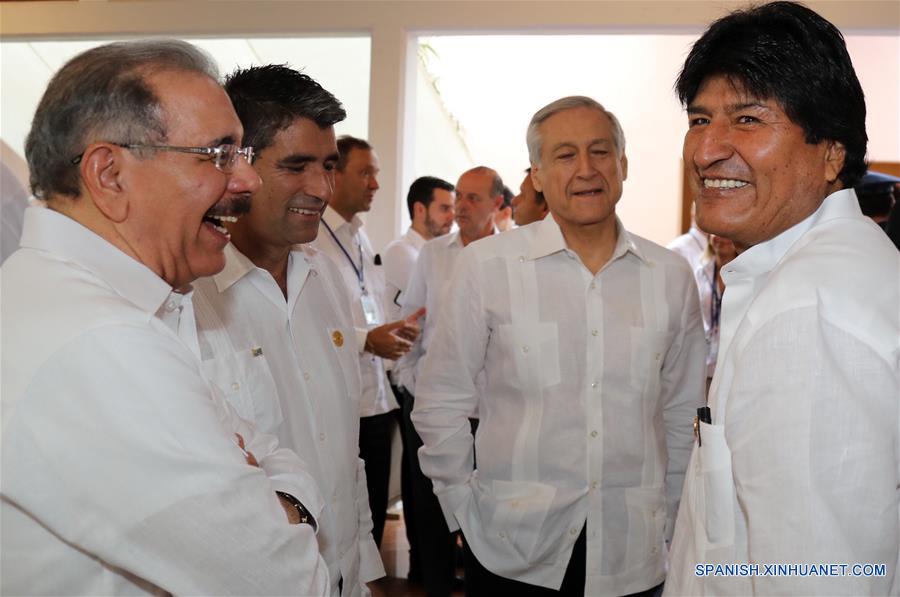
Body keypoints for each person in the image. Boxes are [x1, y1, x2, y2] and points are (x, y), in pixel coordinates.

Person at [1, 40, 329, 595]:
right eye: (219, 154)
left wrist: (270, 491)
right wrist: (290, 503)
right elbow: (286, 582)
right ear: (109, 174)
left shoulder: (77, 300)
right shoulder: (104, 343)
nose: (247, 181)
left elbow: (269, 452)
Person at [412, 96, 706, 596]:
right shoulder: (487, 267)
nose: (587, 169)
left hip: (632, 551)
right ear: (538, 177)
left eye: (600, 151)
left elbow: (681, 416)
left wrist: (674, 521)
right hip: (511, 549)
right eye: (566, 155)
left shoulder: (670, 277)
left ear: (623, 165)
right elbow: (441, 398)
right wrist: (460, 506)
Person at [665, 3, 900, 595]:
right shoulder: (819, 270)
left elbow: (819, 579)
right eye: (699, 119)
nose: (705, 150)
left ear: (831, 152)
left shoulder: (806, 315)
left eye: (746, 119)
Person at [191, 65, 385, 597]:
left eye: (328, 166)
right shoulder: (186, 297)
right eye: (295, 166)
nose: (321, 188)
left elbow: (345, 452)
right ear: (236, 166)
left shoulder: (326, 280)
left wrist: (365, 566)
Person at [395, 165, 503, 596]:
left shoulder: (511, 256)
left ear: (498, 204)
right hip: (435, 405)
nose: (460, 206)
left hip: (491, 410)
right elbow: (414, 321)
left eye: (473, 198)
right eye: (458, 196)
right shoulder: (434, 254)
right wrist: (409, 382)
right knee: (430, 508)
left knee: (485, 514)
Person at [312, 135, 420, 548]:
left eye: (376, 173)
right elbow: (308, 320)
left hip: (375, 396)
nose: (375, 183)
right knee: (340, 519)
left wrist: (389, 333)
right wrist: (365, 340)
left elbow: (365, 304)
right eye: (366, 172)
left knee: (372, 513)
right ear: (334, 175)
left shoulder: (360, 236)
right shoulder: (313, 237)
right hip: (340, 400)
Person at [381, 175, 455, 581]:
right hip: (406, 375)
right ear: (420, 209)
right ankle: (428, 567)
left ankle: (427, 564)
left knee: (420, 477)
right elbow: (422, 318)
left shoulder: (431, 252)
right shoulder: (405, 254)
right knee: (419, 479)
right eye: (445, 208)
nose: (451, 217)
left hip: (419, 377)